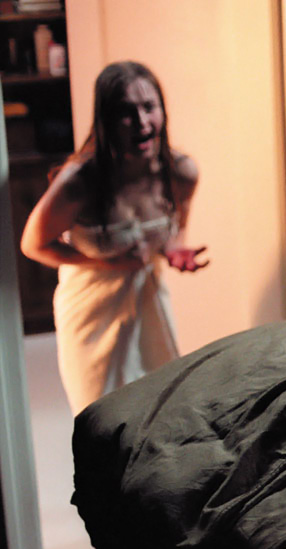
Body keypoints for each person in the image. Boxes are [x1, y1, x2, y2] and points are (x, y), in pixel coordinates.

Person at [21, 60, 208, 416]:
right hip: (91, 311)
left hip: (147, 303)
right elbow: (33, 245)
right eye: (126, 112)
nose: (142, 122)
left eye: (149, 107)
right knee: (99, 414)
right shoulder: (79, 181)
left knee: (161, 409)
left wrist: (173, 250)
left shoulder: (181, 172)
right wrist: (106, 262)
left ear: (163, 110)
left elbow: (176, 228)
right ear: (106, 119)